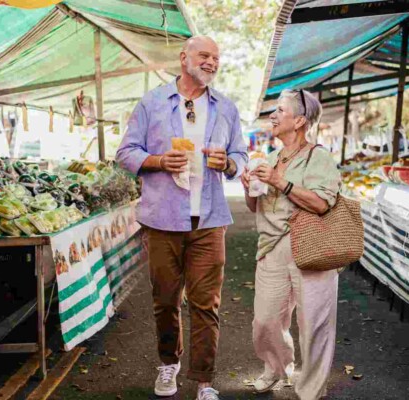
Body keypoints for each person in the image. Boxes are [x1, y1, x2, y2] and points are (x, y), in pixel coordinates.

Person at [116, 36, 247, 400]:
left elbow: (242, 154)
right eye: (204, 55)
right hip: (162, 221)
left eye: (216, 57)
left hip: (209, 221)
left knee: (207, 304)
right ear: (184, 57)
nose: (211, 62)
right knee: (165, 301)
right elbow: (125, 152)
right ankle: (168, 364)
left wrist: (230, 163)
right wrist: (158, 161)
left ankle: (205, 382)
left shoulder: (226, 109)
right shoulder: (152, 102)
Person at [241, 89, 341, 399]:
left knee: (314, 325)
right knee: (265, 320)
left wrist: (279, 182)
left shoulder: (319, 157)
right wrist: (249, 188)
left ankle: (311, 389)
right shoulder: (271, 158)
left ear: (299, 121)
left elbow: (322, 203)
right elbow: (256, 207)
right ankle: (277, 369)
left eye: (280, 110)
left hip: (309, 247)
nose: (272, 115)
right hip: (270, 249)